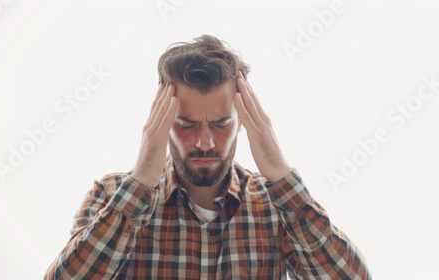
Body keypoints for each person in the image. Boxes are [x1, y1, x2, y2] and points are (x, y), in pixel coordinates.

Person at [44, 35, 371, 280]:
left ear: (242, 120)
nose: (204, 141)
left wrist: (281, 176)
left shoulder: (277, 207)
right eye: (185, 124)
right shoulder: (110, 196)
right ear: (162, 120)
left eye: (221, 124)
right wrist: (141, 181)